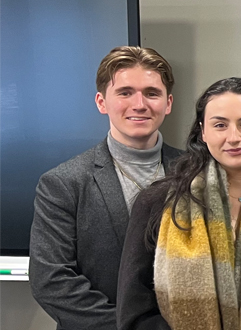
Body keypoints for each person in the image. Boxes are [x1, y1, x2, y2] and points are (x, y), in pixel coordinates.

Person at [116, 77, 241, 330]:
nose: (233, 137)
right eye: (220, 125)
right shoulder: (157, 202)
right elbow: (134, 312)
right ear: (203, 132)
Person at [29, 46, 183, 330]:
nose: (139, 104)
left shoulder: (196, 174)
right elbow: (51, 281)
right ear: (102, 102)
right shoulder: (63, 183)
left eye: (151, 93)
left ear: (168, 102)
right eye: (125, 92)